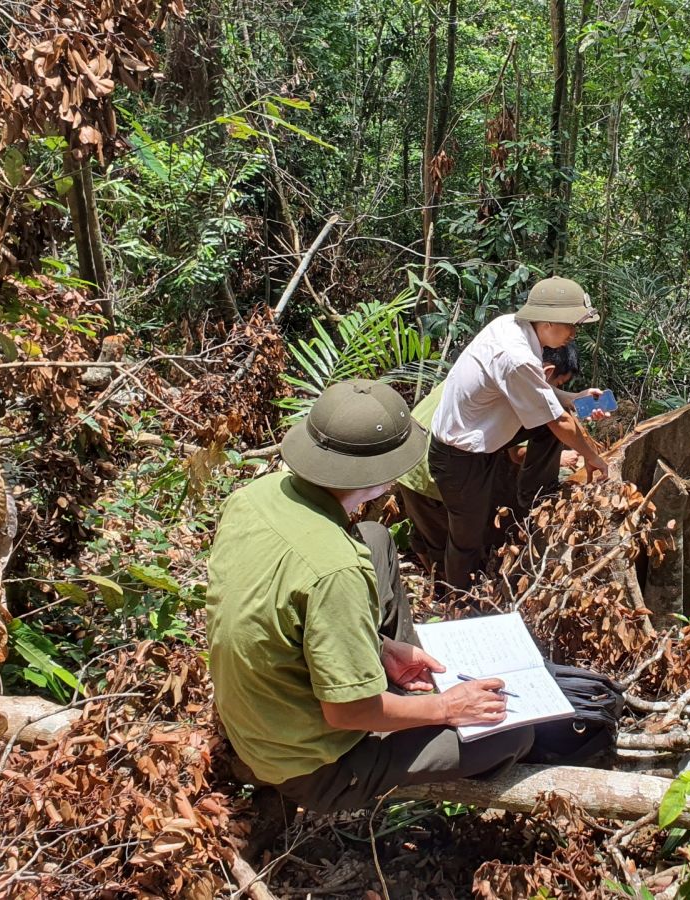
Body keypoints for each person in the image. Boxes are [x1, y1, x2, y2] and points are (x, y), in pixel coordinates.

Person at [206, 379, 535, 818]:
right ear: (379, 477)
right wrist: (446, 707)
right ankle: (397, 727)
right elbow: (347, 713)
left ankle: (384, 681)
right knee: (514, 735)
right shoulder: (335, 570)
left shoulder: (255, 496)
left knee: (375, 537)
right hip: (311, 765)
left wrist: (377, 648)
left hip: (257, 713)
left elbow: (279, 609)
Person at [428, 276, 611, 590]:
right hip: (460, 457)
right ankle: (455, 604)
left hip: (482, 435)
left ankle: (535, 498)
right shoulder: (516, 356)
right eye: (571, 325)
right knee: (467, 540)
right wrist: (593, 457)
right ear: (548, 321)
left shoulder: (511, 328)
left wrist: (575, 400)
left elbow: (541, 395)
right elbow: (558, 422)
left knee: (559, 420)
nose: (573, 334)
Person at [396, 343, 583, 579]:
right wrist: (560, 457)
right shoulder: (521, 391)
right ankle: (452, 601)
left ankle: (440, 589)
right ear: (547, 371)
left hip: (408, 457)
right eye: (558, 384)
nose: (556, 390)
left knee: (430, 535)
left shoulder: (493, 367)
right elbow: (519, 454)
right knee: (452, 549)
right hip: (431, 470)